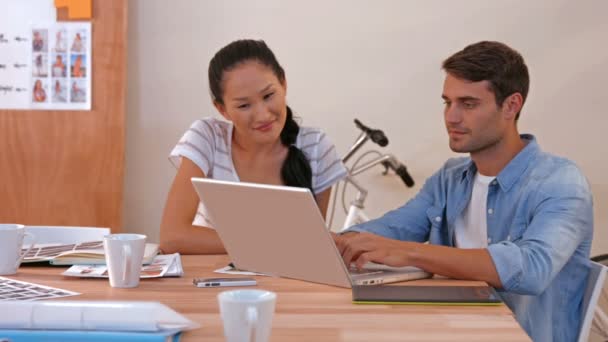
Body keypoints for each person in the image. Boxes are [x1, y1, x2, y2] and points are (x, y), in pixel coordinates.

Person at [335, 41, 593, 342]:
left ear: (511, 105)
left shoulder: (561, 182)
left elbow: (531, 267)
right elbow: (396, 228)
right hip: (451, 330)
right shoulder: (450, 178)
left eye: (468, 104)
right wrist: (336, 242)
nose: (451, 117)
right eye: (448, 102)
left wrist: (412, 253)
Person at [160, 39, 347, 255]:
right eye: (244, 105)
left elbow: (310, 248)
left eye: (268, 96)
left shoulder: (315, 147)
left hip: (284, 283)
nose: (262, 115)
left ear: (283, 83)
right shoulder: (208, 137)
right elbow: (172, 237)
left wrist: (273, 245)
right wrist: (276, 243)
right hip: (209, 279)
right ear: (222, 109)